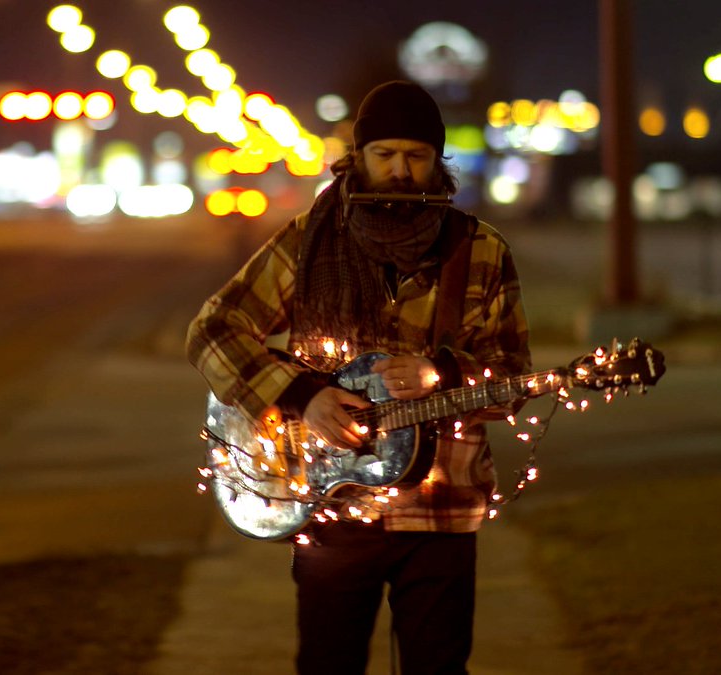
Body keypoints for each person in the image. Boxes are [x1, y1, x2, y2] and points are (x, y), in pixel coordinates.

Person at [186, 80, 532, 675]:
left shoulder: (479, 250)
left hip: (443, 510)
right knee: (328, 664)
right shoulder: (306, 243)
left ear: (437, 163)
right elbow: (213, 331)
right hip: (333, 507)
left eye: (417, 156)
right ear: (359, 156)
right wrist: (302, 397)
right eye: (385, 153)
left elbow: (514, 378)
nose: (401, 170)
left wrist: (440, 372)